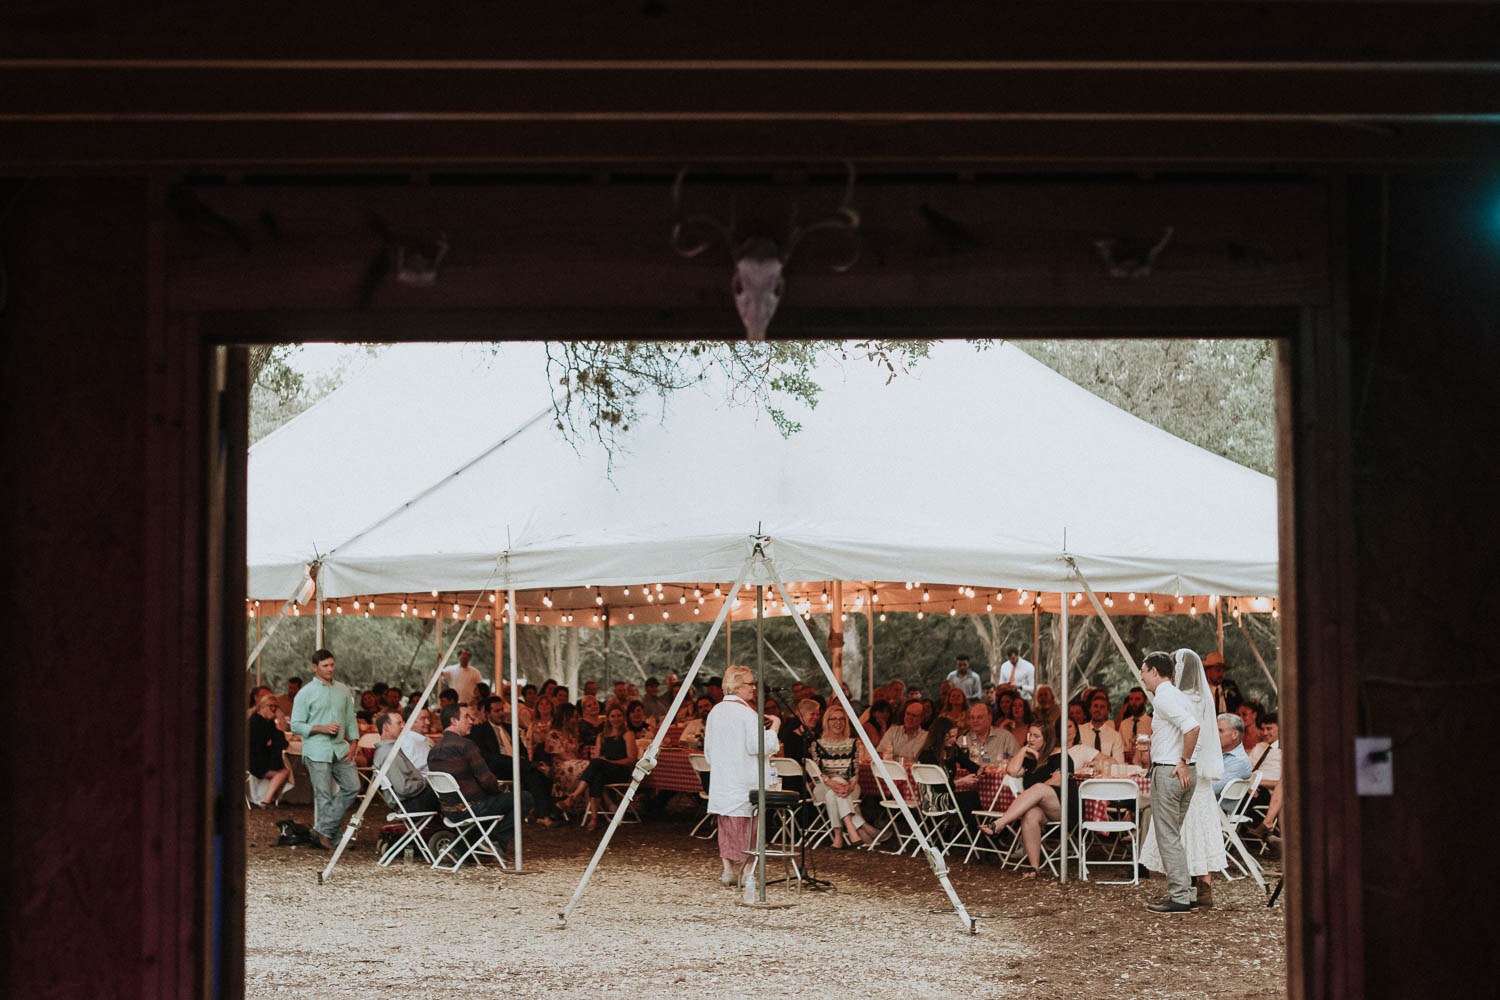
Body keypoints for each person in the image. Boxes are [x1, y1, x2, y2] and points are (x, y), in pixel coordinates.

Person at [1137, 649, 1217, 913]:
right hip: (1182, 770)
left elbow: (1192, 728)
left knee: (1167, 836)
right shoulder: (1177, 695)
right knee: (1174, 834)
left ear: (1154, 671)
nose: (1141, 676)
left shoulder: (1165, 697)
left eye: (1144, 670)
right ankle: (1189, 892)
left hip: (1171, 770)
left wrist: (1182, 760)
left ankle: (1180, 896)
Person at [703, 665, 780, 888]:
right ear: (736, 686)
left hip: (723, 779)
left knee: (726, 823)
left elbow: (708, 750)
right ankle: (748, 872)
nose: (754, 688)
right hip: (744, 779)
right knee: (749, 827)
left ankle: (728, 869)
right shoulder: (747, 713)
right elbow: (759, 746)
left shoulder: (715, 712)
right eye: (750, 683)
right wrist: (775, 727)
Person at [426, 704, 531, 848]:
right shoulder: (466, 745)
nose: (471, 721)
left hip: (448, 810)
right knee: (524, 798)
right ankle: (495, 840)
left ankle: (458, 849)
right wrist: (499, 792)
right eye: (466, 717)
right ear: (453, 721)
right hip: (472, 808)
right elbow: (486, 780)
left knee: (491, 805)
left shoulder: (433, 750)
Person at [289, 649, 360, 850]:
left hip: (340, 748)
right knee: (324, 795)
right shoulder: (305, 693)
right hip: (316, 749)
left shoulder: (343, 690)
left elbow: (349, 718)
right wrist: (321, 727)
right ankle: (333, 837)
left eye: (332, 665)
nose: (330, 669)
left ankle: (322, 830)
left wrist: (354, 742)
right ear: (315, 667)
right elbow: (296, 725)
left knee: (353, 786)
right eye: (325, 666)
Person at [978, 722, 1065, 878]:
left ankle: (1000, 823)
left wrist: (1034, 793)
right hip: (1040, 808)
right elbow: (1011, 771)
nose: (1031, 739)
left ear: (1047, 738)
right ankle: (1034, 867)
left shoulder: (1059, 755)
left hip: (1061, 806)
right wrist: (1024, 749)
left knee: (1038, 788)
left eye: (1036, 736)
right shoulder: (1031, 759)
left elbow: (1058, 781)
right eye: (1029, 735)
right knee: (1030, 814)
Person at [469, 696, 561, 827]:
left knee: (536, 774)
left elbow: (522, 750)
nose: (501, 714)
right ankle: (545, 812)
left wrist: (521, 761)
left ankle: (544, 812)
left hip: (518, 767)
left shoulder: (510, 728)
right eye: (497, 711)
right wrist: (518, 762)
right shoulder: (480, 730)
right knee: (535, 771)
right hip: (497, 769)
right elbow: (487, 756)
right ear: (488, 713)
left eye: (502, 710)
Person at [806, 704, 877, 848]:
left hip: (848, 787)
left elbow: (854, 770)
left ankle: (838, 837)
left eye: (841, 719)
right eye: (833, 719)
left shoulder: (853, 743)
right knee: (834, 788)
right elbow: (818, 772)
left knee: (833, 795)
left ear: (845, 722)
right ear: (827, 721)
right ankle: (854, 827)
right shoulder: (817, 744)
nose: (837, 723)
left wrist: (851, 785)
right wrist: (831, 782)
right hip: (822, 786)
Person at [561, 706, 638, 831]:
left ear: (623, 717)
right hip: (604, 771)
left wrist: (610, 762)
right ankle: (594, 818)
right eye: (613, 716)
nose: (616, 719)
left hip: (620, 770)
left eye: (619, 716)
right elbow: (597, 760)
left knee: (597, 764)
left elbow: (631, 759)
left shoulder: (627, 734)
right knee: (597, 775)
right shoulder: (601, 736)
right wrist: (604, 762)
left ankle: (574, 796)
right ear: (608, 718)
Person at [371, 711, 439, 813]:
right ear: (386, 727)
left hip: (408, 800)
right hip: (407, 804)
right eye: (399, 723)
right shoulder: (390, 753)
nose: (404, 726)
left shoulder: (389, 749)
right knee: (448, 792)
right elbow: (404, 789)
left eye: (403, 723)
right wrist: (426, 781)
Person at [917, 717, 982, 819]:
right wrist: (962, 782)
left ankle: (970, 831)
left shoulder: (952, 748)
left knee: (971, 798)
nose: (953, 739)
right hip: (933, 799)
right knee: (970, 798)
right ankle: (974, 831)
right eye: (950, 736)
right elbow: (939, 787)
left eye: (955, 736)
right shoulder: (927, 755)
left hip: (946, 795)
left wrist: (979, 770)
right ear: (939, 736)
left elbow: (966, 762)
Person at [248, 692, 290, 808]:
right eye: (270, 706)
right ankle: (266, 801)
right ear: (262, 706)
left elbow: (282, 743)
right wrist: (273, 741)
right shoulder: (256, 721)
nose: (273, 709)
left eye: (276, 706)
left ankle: (267, 800)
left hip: (262, 759)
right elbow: (265, 744)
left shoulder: (269, 722)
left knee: (284, 769)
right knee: (285, 771)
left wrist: (276, 727)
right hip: (254, 762)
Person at [545, 703, 590, 802]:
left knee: (593, 770)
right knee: (589, 767)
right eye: (573, 717)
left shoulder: (572, 734)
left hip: (575, 764)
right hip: (562, 767)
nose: (575, 720)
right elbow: (563, 756)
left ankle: (589, 806)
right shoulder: (553, 734)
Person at [1212, 713, 1254, 810]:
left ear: (1235, 734)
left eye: (1220, 731)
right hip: (1205, 807)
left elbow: (1213, 788)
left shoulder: (1240, 761)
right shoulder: (1217, 753)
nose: (1215, 734)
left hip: (1218, 813)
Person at [960, 701, 1020, 765]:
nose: (975, 721)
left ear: (989, 719)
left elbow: (1017, 762)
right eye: (972, 718)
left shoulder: (1006, 737)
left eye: (979, 717)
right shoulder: (963, 740)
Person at [1080, 691, 1125, 763]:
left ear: (1108, 711)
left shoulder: (1115, 736)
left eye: (1102, 707)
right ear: (1090, 709)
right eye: (1095, 706)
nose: (1098, 710)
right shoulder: (1080, 731)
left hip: (1107, 773)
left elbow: (1119, 762)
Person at [778, 698, 821, 765]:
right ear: (801, 716)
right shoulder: (791, 737)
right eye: (812, 714)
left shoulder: (817, 736)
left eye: (817, 714)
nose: (816, 717)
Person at [1116, 686, 1153, 757]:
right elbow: (1119, 748)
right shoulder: (1124, 724)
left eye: (1137, 699)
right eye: (1131, 699)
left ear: (1145, 701)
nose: (1134, 703)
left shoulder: (1151, 723)